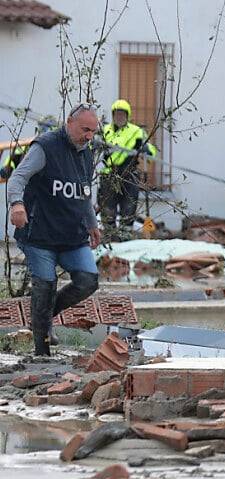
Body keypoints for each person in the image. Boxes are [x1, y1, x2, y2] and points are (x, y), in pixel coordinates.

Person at [7, 103, 102, 357]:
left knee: (87, 280)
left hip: (71, 236)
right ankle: (41, 351)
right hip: (39, 233)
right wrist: (17, 204)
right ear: (69, 122)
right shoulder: (45, 146)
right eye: (85, 129)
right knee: (45, 284)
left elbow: (84, 192)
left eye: (93, 131)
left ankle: (44, 317)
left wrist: (92, 223)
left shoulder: (85, 152)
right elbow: (18, 177)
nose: (89, 136)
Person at [98, 99, 157, 236]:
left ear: (127, 115)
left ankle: (125, 237)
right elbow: (92, 147)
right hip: (109, 175)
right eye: (117, 114)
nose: (119, 117)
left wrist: (146, 149)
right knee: (107, 209)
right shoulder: (105, 131)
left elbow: (151, 151)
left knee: (128, 208)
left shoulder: (136, 131)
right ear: (113, 115)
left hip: (129, 175)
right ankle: (109, 237)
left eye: (122, 114)